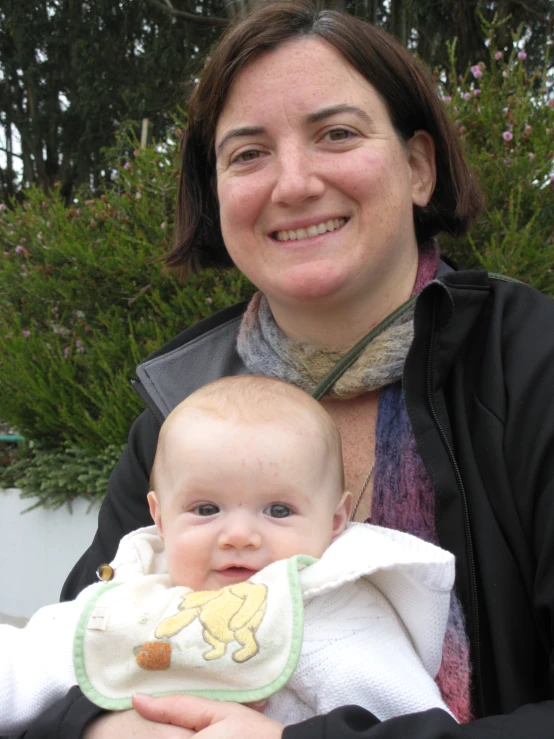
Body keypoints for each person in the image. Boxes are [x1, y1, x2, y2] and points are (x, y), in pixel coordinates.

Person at [16, 0, 554, 737]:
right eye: (247, 153)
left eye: (336, 134)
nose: (293, 183)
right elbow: (74, 649)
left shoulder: (533, 366)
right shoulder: (182, 409)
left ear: (419, 166)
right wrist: (99, 727)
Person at [0, 377, 455, 734]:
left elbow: (405, 720)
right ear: (159, 516)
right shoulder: (128, 596)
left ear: (336, 520)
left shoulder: (332, 611)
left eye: (278, 510)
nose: (239, 535)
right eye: (206, 509)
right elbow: (27, 663)